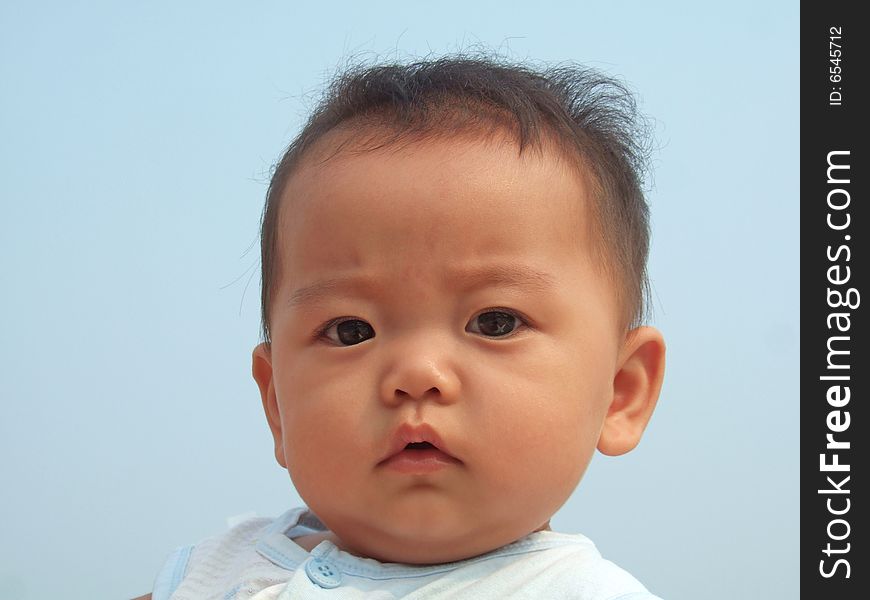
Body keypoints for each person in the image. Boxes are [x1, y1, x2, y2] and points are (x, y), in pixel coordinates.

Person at [139, 55, 667, 600]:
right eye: (351, 331)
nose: (417, 374)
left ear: (620, 391)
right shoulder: (220, 566)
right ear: (276, 403)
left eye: (495, 322)